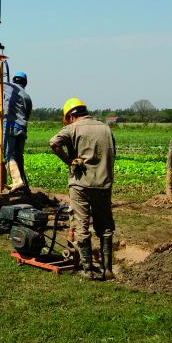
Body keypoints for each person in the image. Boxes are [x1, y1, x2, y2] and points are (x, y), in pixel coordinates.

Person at [49, 98, 116, 280]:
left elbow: (54, 143)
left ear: (71, 115)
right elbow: (112, 154)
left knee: (81, 225)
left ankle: (87, 270)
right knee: (106, 227)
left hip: (80, 185)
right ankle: (107, 269)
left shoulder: (73, 128)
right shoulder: (105, 128)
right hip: (103, 183)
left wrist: (68, 161)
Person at [3, 72, 32, 193]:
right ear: (24, 82)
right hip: (22, 129)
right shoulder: (27, 97)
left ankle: (17, 181)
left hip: (10, 127)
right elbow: (27, 114)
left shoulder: (8, 86)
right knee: (19, 157)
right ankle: (23, 184)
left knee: (9, 155)